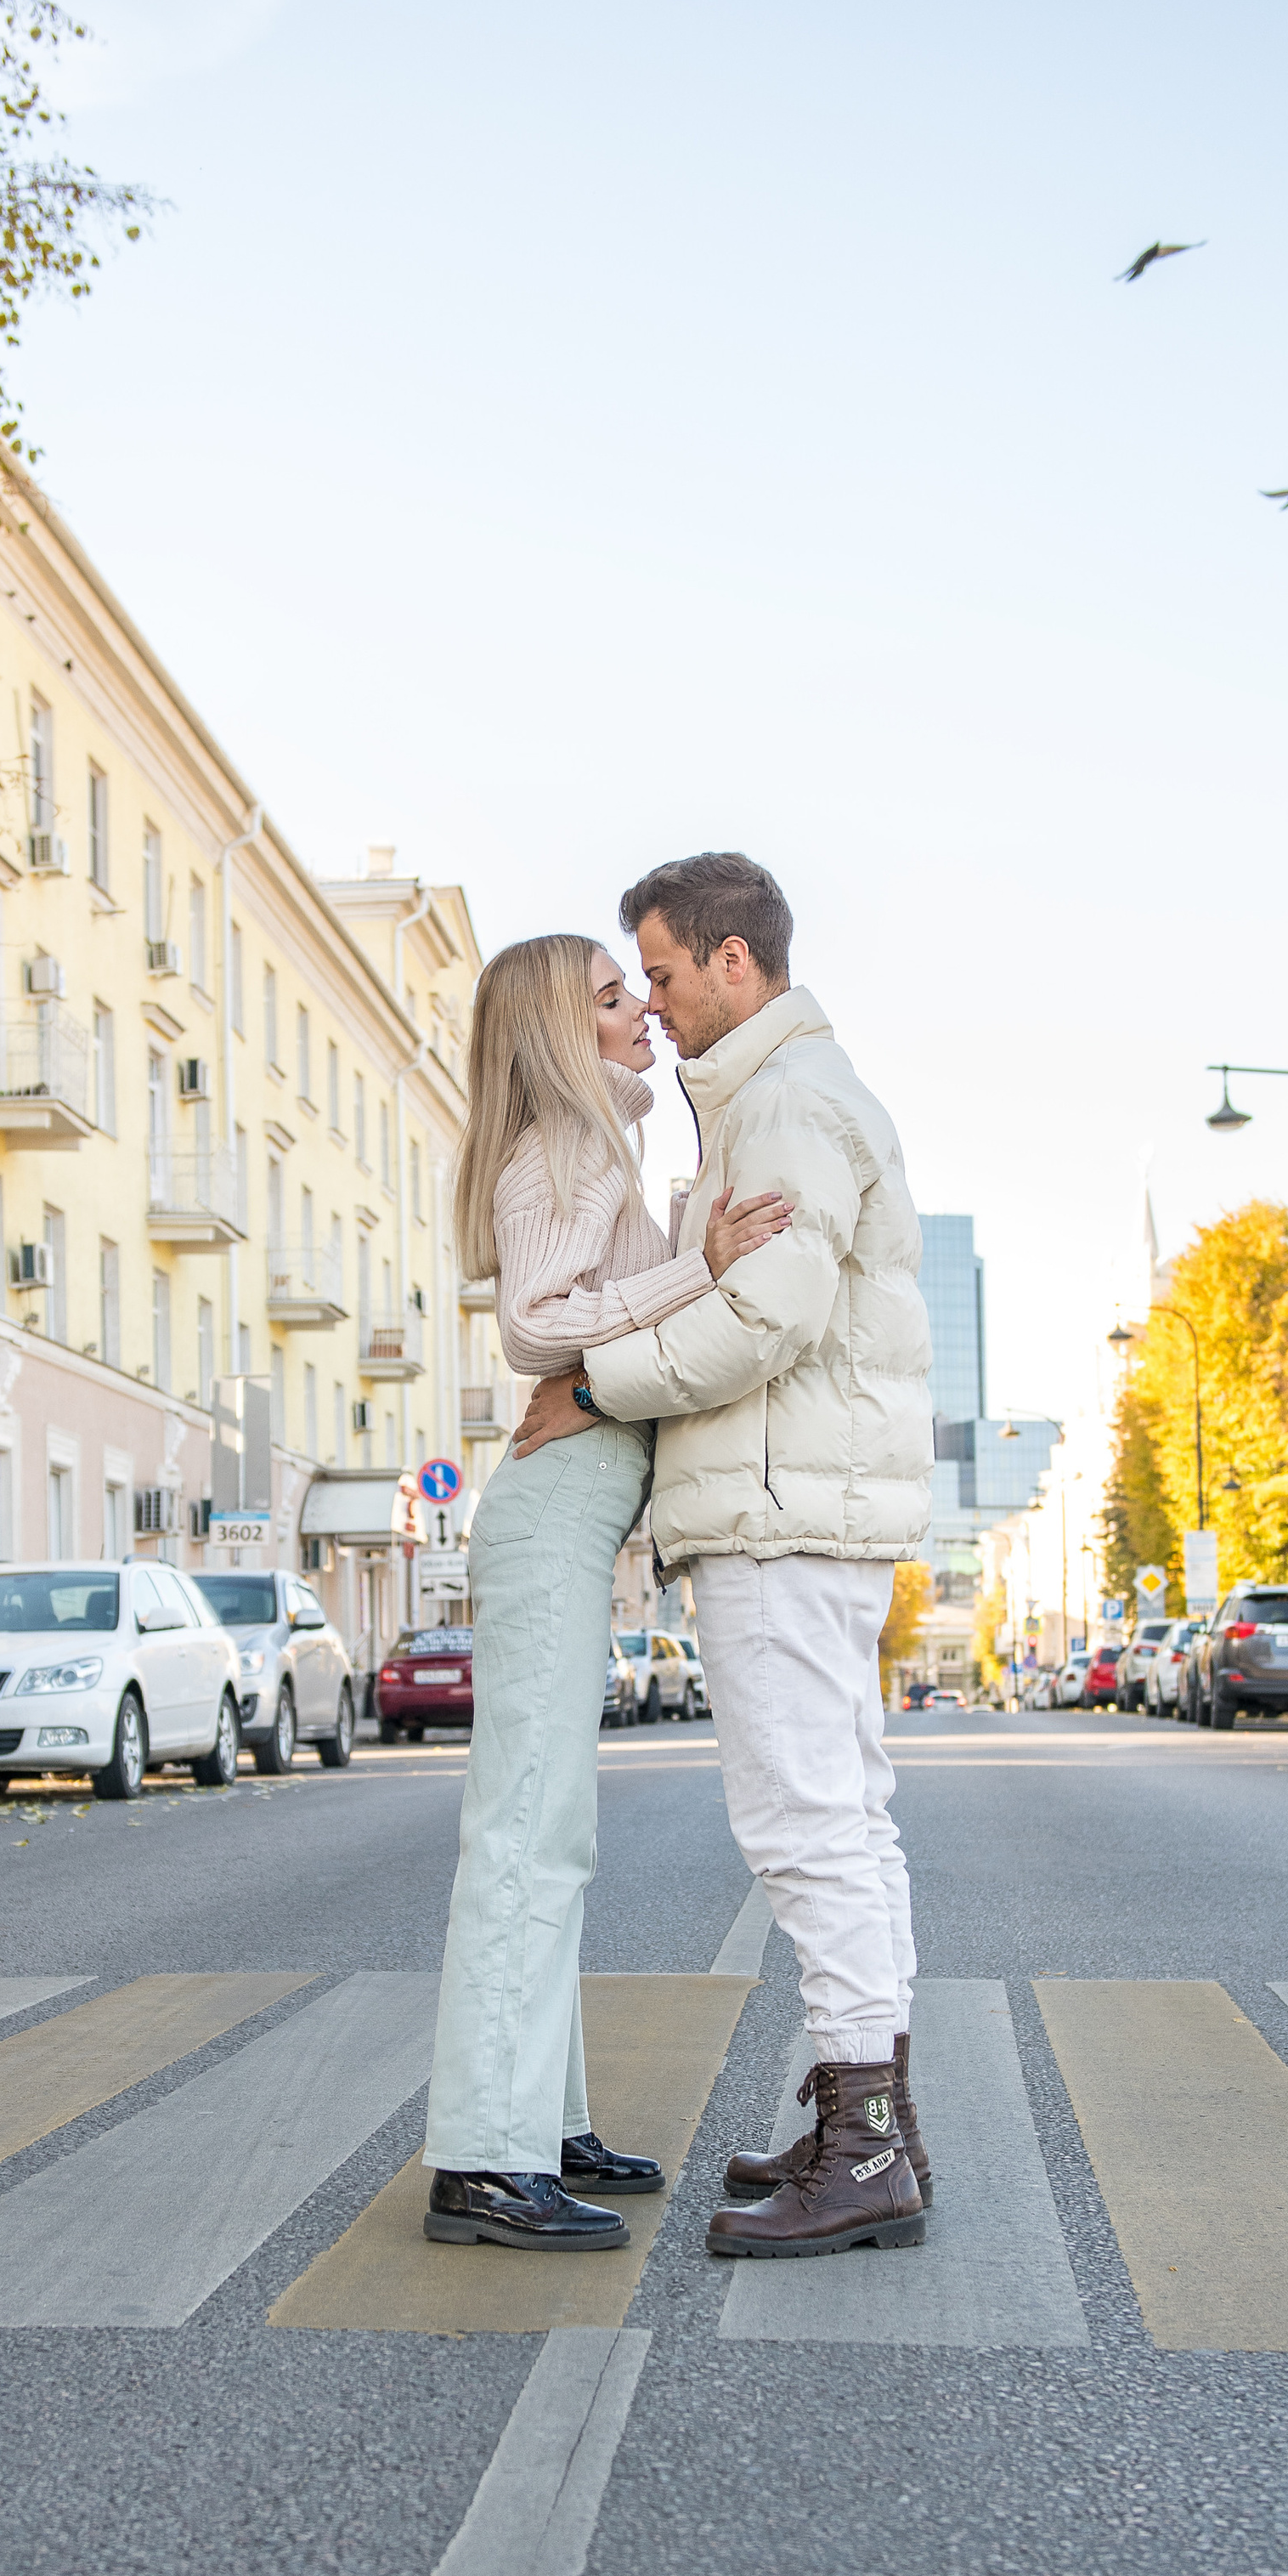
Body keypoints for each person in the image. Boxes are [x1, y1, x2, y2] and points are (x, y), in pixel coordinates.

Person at [511, 853, 936, 2258]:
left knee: (805, 1824)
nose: (654, 1002)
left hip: (776, 1513)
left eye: (665, 972)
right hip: (803, 1506)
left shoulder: (787, 1104)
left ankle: (865, 2146)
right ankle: (876, 2126)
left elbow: (770, 1318)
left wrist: (595, 1385)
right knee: (848, 1820)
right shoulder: (783, 1095)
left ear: (733, 963)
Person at [423, 931, 794, 2250]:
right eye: (608, 994)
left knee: (549, 1827)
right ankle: (485, 2157)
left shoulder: (597, 1145)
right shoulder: (569, 1143)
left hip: (571, 1511)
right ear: (555, 1029)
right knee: (530, 1832)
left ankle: (545, 2118)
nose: (640, 1006)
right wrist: (705, 1264)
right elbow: (537, 1321)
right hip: (553, 1513)